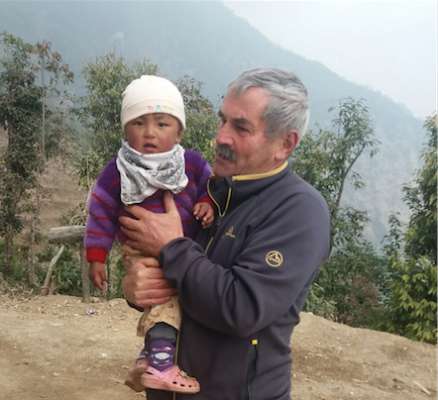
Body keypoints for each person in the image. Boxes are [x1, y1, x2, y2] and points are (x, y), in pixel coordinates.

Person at [120, 68, 331, 400]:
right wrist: (137, 287)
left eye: (241, 127)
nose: (221, 136)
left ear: (285, 144)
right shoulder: (208, 190)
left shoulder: (299, 211)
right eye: (223, 121)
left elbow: (241, 307)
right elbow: (179, 280)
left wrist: (171, 247)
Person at [84, 75, 214, 394]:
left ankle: (149, 355)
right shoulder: (118, 170)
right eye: (139, 123)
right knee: (164, 298)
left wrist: (206, 202)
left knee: (175, 297)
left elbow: (212, 186)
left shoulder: (192, 163)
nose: (150, 133)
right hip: (141, 252)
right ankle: (160, 364)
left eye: (162, 124)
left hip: (183, 247)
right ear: (126, 130)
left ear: (179, 130)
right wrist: (97, 256)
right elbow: (100, 211)